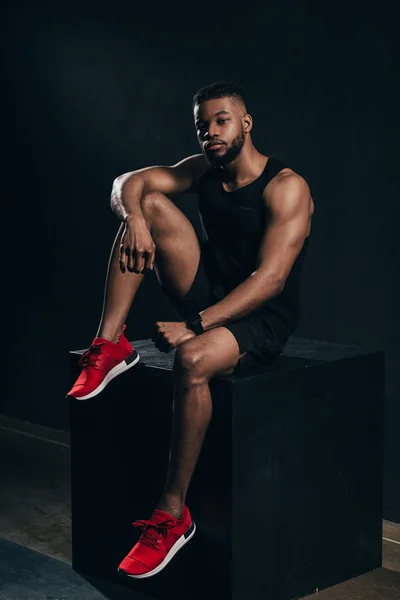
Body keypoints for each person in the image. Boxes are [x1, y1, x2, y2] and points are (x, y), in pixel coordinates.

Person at [67, 81, 315, 579]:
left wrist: (195, 326)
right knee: (151, 206)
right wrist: (135, 217)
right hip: (210, 288)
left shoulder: (286, 185)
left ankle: (173, 513)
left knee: (192, 360)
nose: (210, 132)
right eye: (202, 124)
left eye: (221, 121)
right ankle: (109, 343)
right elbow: (126, 184)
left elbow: (272, 280)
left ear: (245, 123)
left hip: (261, 317)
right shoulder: (204, 168)